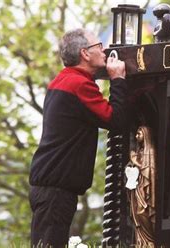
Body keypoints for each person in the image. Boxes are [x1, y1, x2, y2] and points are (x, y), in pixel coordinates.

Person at [29, 28, 127, 247]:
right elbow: (115, 120)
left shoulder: (62, 80)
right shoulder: (79, 85)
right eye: (98, 46)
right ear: (85, 53)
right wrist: (118, 80)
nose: (104, 50)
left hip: (48, 188)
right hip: (56, 192)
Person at [128, 126, 156, 246]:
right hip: (138, 186)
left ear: (146, 135)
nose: (136, 136)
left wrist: (135, 160)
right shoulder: (139, 151)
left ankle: (150, 240)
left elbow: (149, 171)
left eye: (139, 134)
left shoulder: (151, 151)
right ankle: (142, 241)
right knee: (136, 212)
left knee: (142, 211)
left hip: (146, 188)